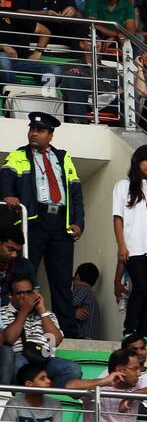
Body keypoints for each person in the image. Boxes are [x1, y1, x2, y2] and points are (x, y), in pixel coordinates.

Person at [0, 113, 82, 329]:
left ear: (51, 135)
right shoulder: (18, 155)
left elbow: (75, 193)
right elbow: (5, 179)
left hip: (60, 224)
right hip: (34, 222)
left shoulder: (64, 158)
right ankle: (20, 325)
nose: (34, 133)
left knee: (63, 280)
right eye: (32, 129)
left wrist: (78, 223)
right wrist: (8, 196)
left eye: (41, 130)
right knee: (24, 274)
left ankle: (67, 328)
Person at [111, 145, 147, 340]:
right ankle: (130, 329)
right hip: (134, 244)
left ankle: (143, 332)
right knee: (141, 286)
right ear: (137, 160)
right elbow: (117, 217)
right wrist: (121, 245)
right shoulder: (122, 185)